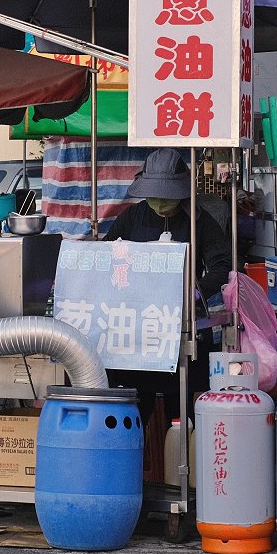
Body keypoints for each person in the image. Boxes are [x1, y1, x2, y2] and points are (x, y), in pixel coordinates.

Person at [103, 148, 233, 424]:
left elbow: (222, 266)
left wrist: (195, 293)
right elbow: (106, 258)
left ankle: (180, 461)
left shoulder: (199, 221)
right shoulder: (131, 218)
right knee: (134, 411)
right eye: (155, 195)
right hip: (137, 331)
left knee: (182, 413)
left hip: (182, 327)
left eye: (167, 196)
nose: (161, 202)